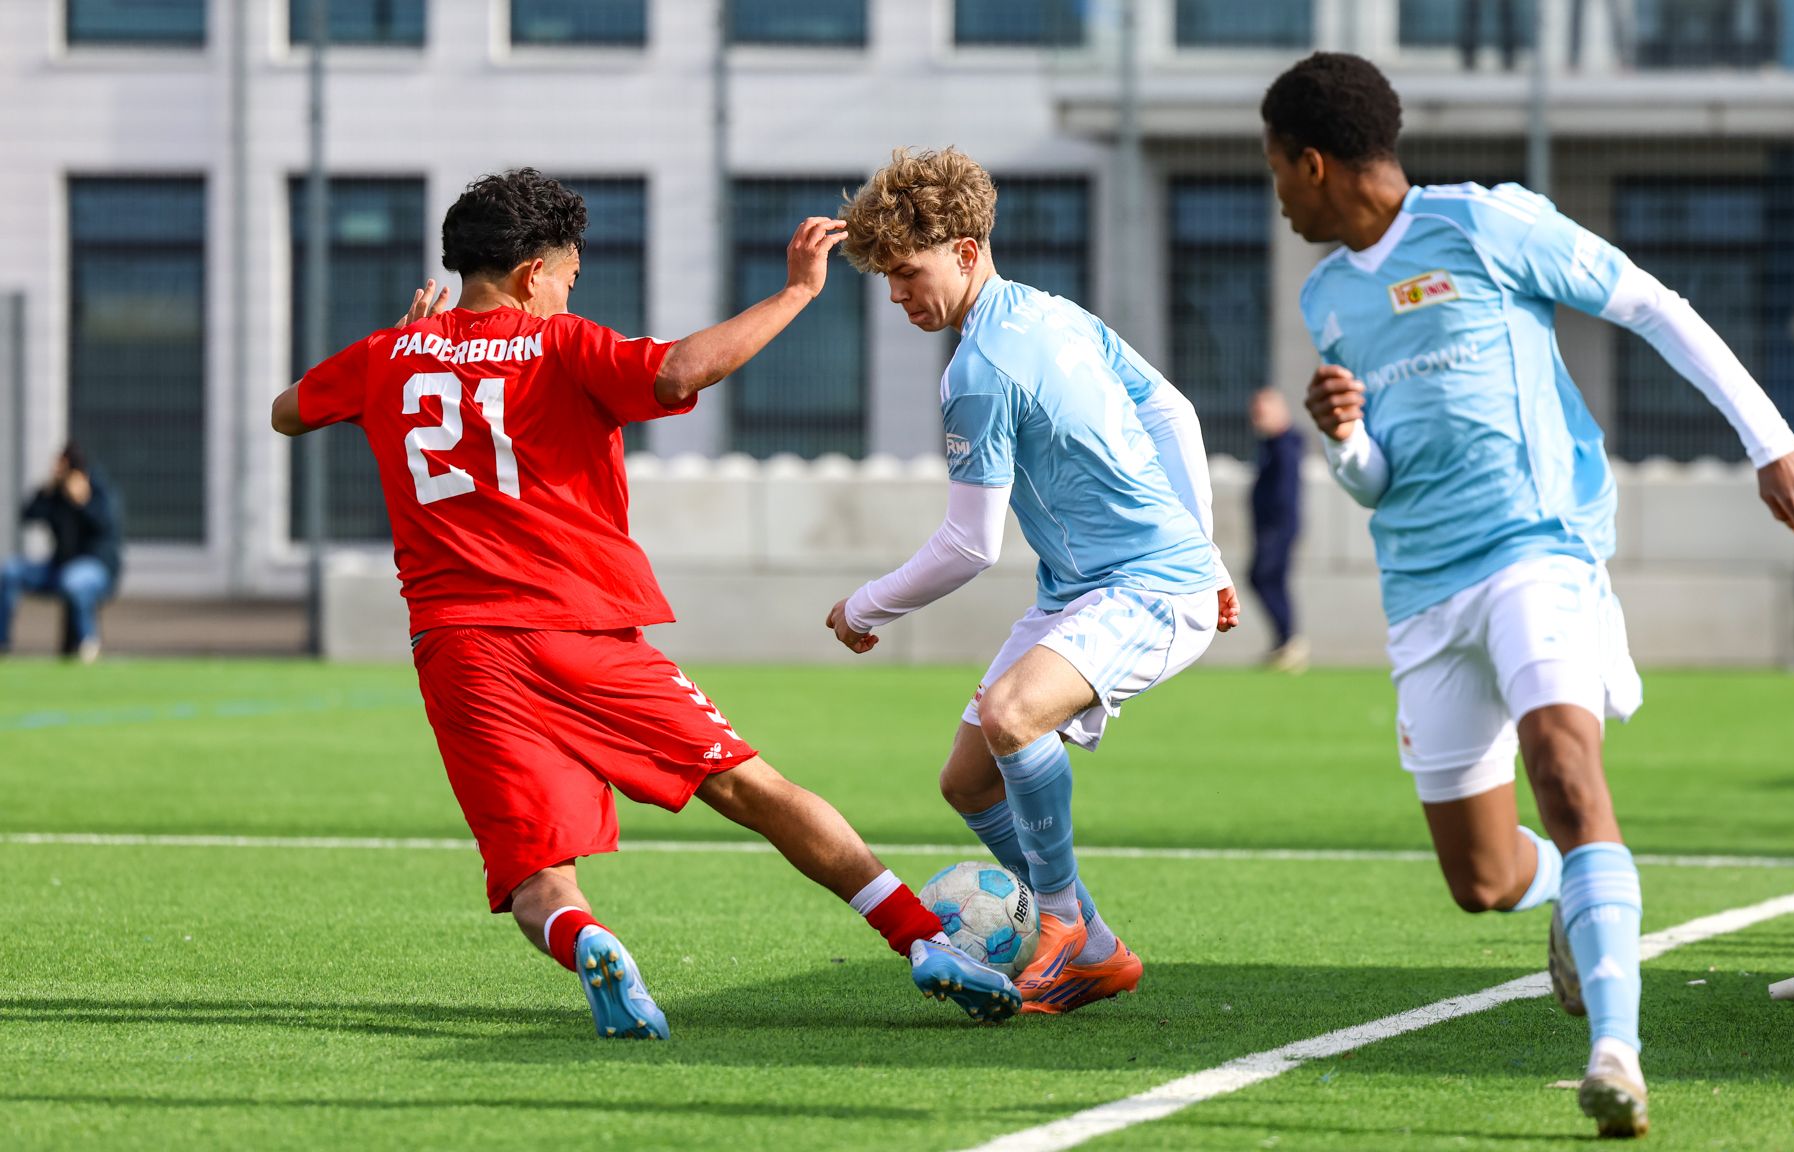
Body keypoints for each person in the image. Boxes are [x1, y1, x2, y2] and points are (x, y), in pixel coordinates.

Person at [269, 168, 1017, 1040]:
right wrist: (795, 293)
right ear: (529, 277)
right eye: (568, 276)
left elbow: (288, 413)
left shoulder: (382, 359)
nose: (568, 290)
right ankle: (925, 942)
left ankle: (589, 937)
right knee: (753, 788)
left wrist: (401, 345)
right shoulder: (558, 344)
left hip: (460, 651)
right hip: (578, 633)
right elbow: (676, 372)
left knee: (534, 871)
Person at [1262, 54, 1794, 1137]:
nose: (1277, 192)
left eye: (1277, 169)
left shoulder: (1485, 224)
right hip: (1423, 590)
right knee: (1479, 880)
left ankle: (1616, 1052)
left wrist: (1774, 442)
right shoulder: (1329, 297)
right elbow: (1375, 480)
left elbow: (1654, 306)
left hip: (1537, 550)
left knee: (1566, 767)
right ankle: (1574, 885)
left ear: (1314, 161)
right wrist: (1344, 440)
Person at [826, 147, 1240, 1015]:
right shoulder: (1053, 314)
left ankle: (1054, 923)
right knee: (968, 781)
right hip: (1092, 587)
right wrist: (1205, 545)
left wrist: (865, 607)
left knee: (1014, 715)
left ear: (967, 251)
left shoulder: (977, 374)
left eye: (909, 273)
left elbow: (969, 546)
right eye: (889, 281)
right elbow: (1174, 410)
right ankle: (1093, 946)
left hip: (1147, 586)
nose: (900, 296)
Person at [1, 444, 122, 663]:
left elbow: (107, 526)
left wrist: (83, 502)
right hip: (58, 568)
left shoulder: (98, 490)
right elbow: (28, 514)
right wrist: (47, 491)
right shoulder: (56, 494)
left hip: (96, 568)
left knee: (74, 581)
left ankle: (88, 645)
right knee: (11, 571)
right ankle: (2, 643)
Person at [1248, 388, 1307, 671]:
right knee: (1269, 580)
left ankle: (1289, 641)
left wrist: (1276, 525)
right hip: (1270, 526)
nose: (1257, 419)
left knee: (1265, 578)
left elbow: (1284, 493)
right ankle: (1284, 641)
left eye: (1262, 413)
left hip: (1277, 527)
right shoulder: (1272, 446)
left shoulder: (1285, 446)